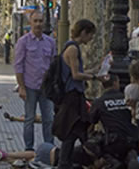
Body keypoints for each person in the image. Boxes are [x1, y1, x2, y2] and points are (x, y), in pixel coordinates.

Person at [53, 19, 99, 169]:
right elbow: (75, 75)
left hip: (75, 94)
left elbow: (79, 73)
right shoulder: (73, 49)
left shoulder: (72, 47)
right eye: (90, 35)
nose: (91, 39)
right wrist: (93, 77)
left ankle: (66, 162)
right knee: (72, 130)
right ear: (84, 32)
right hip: (72, 96)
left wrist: (97, 69)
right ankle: (64, 163)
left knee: (76, 130)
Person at [14, 9, 56, 151]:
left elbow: (53, 65)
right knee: (29, 119)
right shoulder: (23, 42)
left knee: (48, 119)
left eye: (40, 21)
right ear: (30, 23)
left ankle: (49, 148)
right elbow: (18, 65)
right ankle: (29, 149)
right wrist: (21, 87)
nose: (38, 24)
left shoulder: (50, 42)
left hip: (46, 88)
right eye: (35, 21)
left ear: (44, 23)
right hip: (30, 86)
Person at [90, 74, 139, 168]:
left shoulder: (99, 102)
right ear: (115, 83)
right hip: (132, 139)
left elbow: (91, 121)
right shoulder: (126, 99)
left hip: (113, 142)